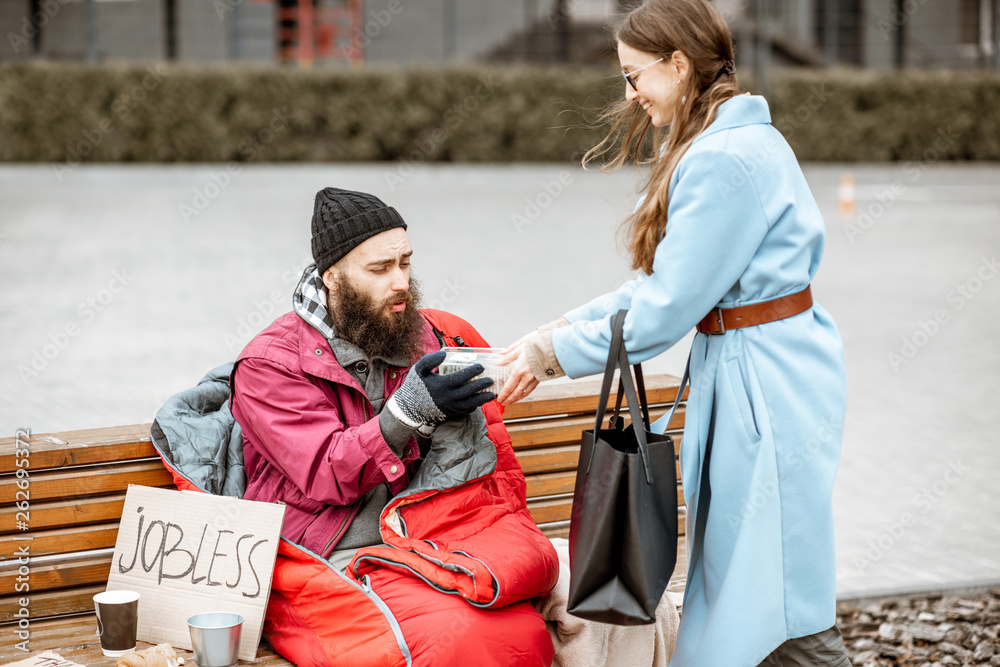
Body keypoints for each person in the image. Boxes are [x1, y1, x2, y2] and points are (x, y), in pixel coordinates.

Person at [498, 1, 850, 666]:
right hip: (767, 371)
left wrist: (550, 351)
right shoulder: (738, 141)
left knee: (771, 594)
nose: (630, 95)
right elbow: (662, 289)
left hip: (761, 387)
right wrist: (554, 336)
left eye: (636, 76)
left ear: (679, 66)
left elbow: (662, 309)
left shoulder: (721, 158)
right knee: (767, 584)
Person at [228, 187, 558, 667]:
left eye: (405, 262)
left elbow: (497, 461)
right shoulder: (269, 364)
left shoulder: (428, 333)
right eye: (380, 269)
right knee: (464, 635)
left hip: (425, 534)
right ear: (333, 278)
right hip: (322, 550)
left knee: (522, 625)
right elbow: (326, 471)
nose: (400, 281)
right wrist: (406, 413)